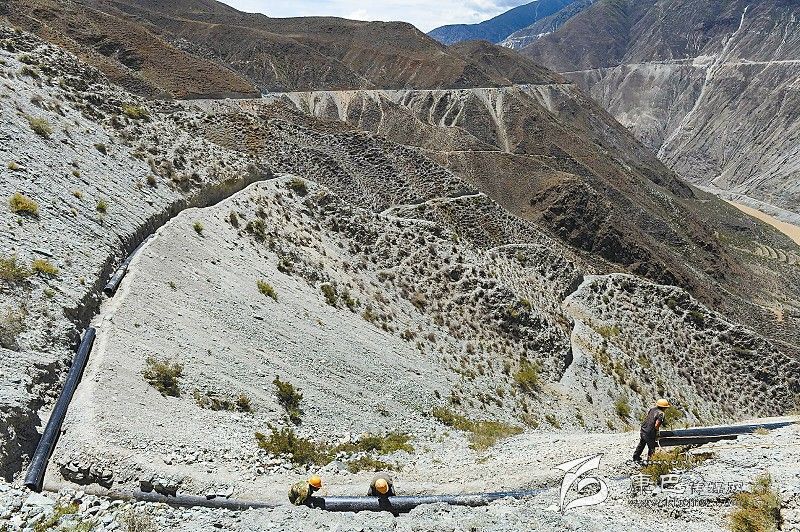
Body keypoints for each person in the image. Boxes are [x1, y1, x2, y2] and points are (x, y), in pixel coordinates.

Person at [633, 398, 670, 463]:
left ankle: (636, 457)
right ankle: (650, 461)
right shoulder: (661, 414)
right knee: (651, 448)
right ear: (664, 407)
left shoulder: (652, 409)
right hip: (649, 432)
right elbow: (656, 425)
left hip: (643, 429)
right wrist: (657, 432)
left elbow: (648, 418)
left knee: (642, 444)